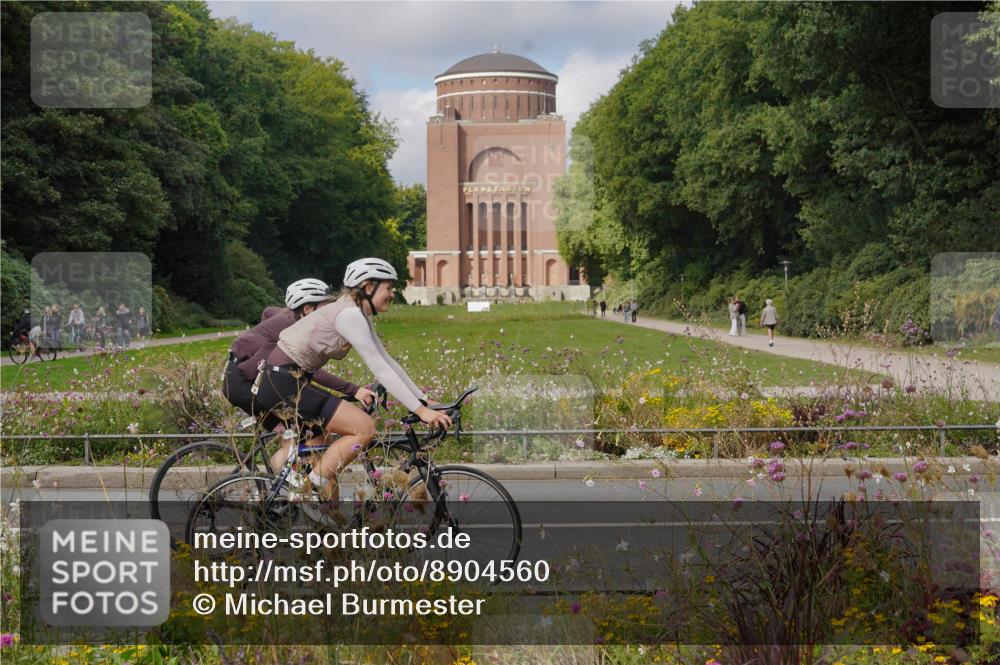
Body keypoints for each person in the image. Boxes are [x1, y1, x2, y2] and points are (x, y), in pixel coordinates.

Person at [257, 258, 451, 501]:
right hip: (284, 381)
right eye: (388, 288)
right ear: (369, 287)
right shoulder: (349, 314)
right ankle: (308, 491)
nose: (392, 294)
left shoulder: (357, 312)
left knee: (326, 446)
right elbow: (380, 368)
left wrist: (422, 400)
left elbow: (387, 360)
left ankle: (324, 513)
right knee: (363, 428)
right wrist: (421, 411)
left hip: (288, 380)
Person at [221, 278, 375, 471]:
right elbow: (305, 371)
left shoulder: (288, 318)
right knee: (296, 438)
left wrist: (259, 336)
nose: (328, 312)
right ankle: (282, 488)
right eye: (324, 306)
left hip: (243, 379)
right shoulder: (290, 330)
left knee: (315, 437)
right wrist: (352, 390)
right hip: (243, 385)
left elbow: (268, 310)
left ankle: (292, 484)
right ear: (308, 308)